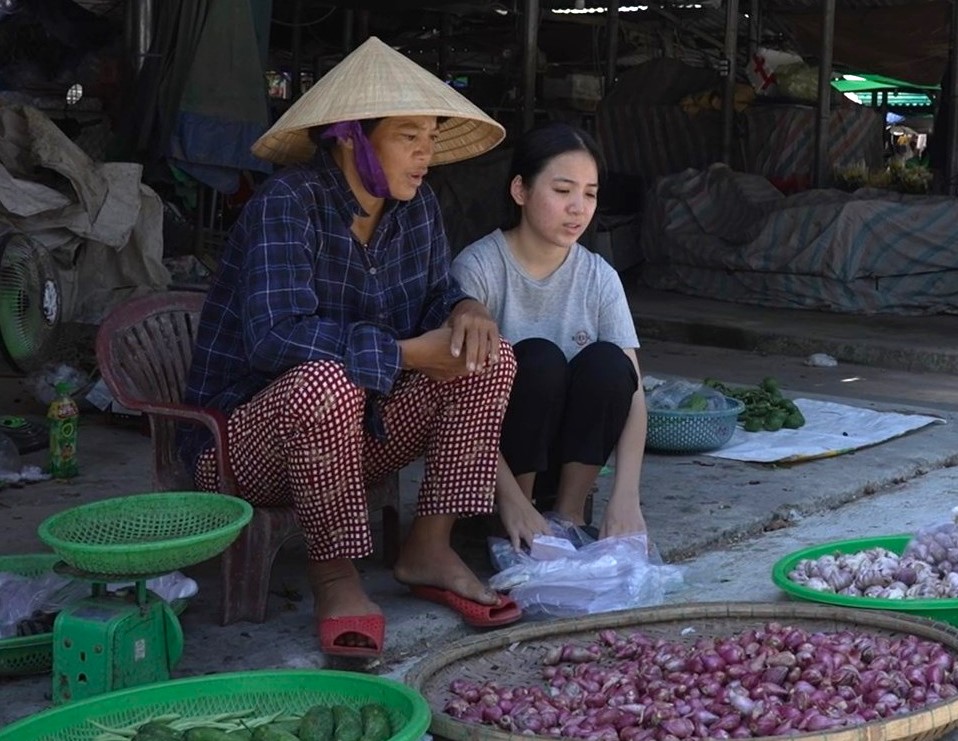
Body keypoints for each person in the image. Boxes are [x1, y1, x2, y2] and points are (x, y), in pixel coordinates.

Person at [179, 36, 521, 659]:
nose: (425, 154)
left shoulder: (417, 209)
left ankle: (429, 547)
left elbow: (436, 295)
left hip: (362, 438)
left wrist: (466, 309)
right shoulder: (288, 204)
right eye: (407, 136)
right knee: (322, 381)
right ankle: (334, 576)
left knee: (490, 355)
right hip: (244, 447)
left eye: (430, 136)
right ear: (350, 138)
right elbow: (277, 336)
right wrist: (407, 356)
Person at [450, 121, 649, 553]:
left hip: (564, 457)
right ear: (520, 190)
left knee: (609, 365)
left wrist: (626, 496)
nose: (578, 208)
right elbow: (456, 400)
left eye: (590, 193)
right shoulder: (478, 269)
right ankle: (514, 521)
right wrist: (512, 501)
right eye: (563, 191)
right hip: (487, 463)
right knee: (536, 360)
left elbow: (633, 397)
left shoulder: (599, 276)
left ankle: (569, 516)